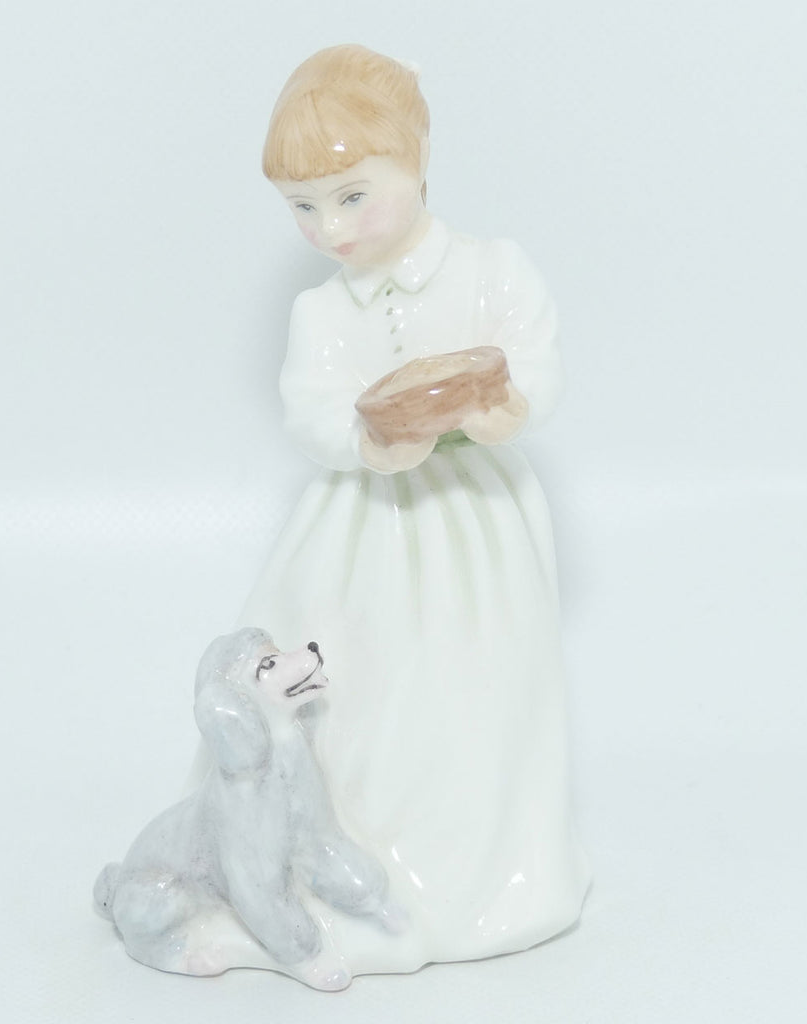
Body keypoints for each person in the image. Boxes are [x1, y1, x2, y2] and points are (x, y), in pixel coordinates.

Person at [223, 44, 588, 976]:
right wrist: (363, 444)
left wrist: (505, 408)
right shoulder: (319, 313)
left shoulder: (493, 269)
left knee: (478, 681)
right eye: (303, 207)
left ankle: (486, 866)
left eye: (352, 196)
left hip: (474, 518)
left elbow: (536, 365)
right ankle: (352, 850)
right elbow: (310, 409)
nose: (329, 228)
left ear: (416, 163)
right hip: (364, 525)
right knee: (360, 683)